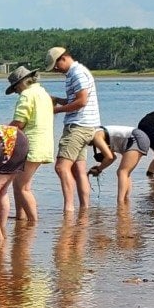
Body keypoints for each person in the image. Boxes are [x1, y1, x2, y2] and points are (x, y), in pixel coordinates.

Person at [45, 47, 101, 213]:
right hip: (88, 125)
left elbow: (82, 101)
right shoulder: (77, 72)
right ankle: (84, 208)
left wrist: (56, 111)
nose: (56, 70)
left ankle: (68, 209)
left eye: (56, 66)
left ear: (63, 58)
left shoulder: (77, 73)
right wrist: (58, 100)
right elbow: (76, 100)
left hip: (78, 126)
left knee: (61, 167)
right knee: (78, 170)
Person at [2, 65, 53, 223]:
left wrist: (2, 132)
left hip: (31, 144)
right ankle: (20, 217)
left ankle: (32, 221)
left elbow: (20, 122)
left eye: (15, 88)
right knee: (19, 183)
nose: (16, 92)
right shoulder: (43, 93)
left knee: (22, 186)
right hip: (44, 143)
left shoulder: (27, 95)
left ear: (20, 83)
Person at [86, 124, 150, 204]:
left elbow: (109, 157)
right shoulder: (100, 134)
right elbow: (112, 157)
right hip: (140, 137)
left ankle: (120, 202)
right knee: (126, 173)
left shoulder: (96, 137)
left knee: (122, 172)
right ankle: (125, 200)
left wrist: (99, 169)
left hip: (136, 138)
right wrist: (99, 168)